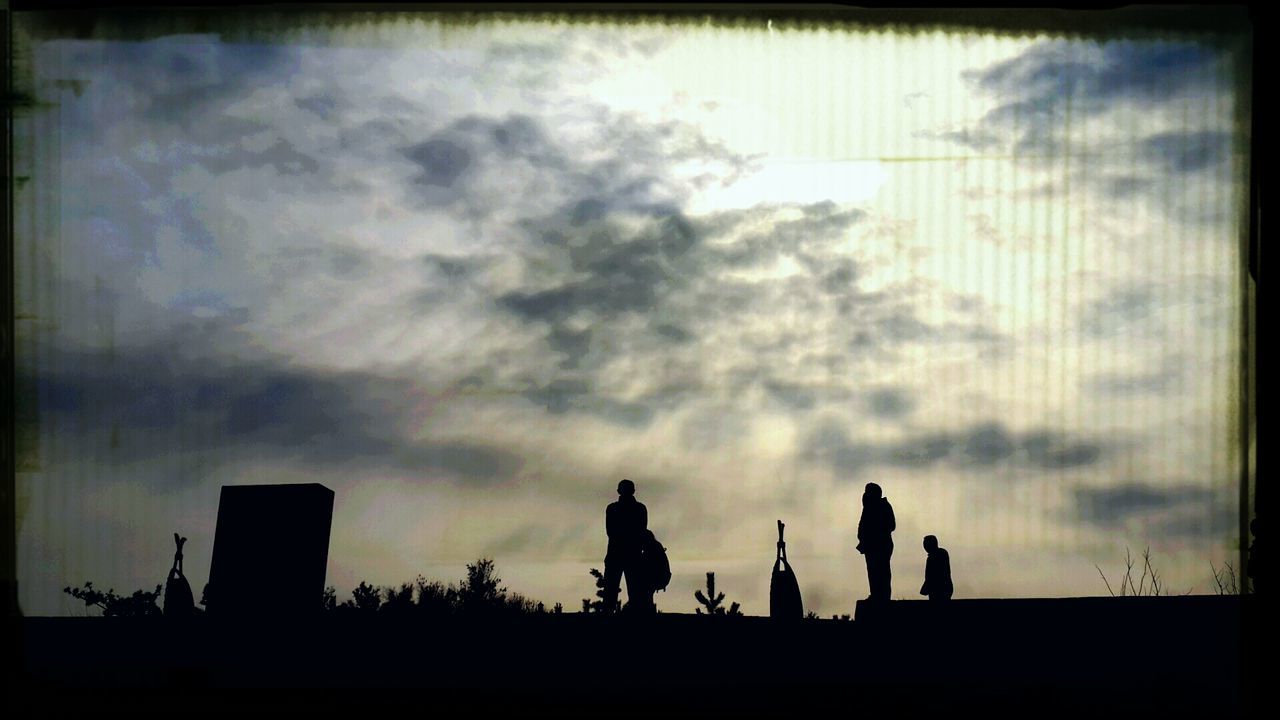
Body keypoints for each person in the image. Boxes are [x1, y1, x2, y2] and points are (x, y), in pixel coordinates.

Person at [604, 479, 650, 614]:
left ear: (618, 491)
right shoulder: (640, 509)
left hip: (619, 553)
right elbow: (642, 531)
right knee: (632, 592)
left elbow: (611, 532)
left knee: (614, 591)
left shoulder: (612, 508)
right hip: (631, 553)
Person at [856, 482, 895, 602]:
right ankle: (875, 595)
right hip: (870, 546)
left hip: (881, 545)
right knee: (872, 572)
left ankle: (883, 597)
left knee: (882, 572)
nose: (865, 494)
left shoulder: (883, 506)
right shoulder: (868, 507)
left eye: (868, 491)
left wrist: (876, 532)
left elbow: (891, 525)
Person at [920, 535, 953, 601]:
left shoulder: (932, 558)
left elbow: (931, 576)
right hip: (946, 588)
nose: (924, 547)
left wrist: (925, 588)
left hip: (937, 589)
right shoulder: (943, 553)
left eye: (925, 544)